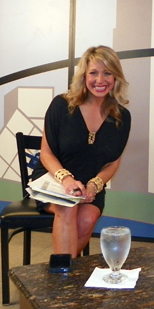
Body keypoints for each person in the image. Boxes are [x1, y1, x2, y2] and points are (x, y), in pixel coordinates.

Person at [31, 45, 131, 258]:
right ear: (84, 76)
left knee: (86, 219)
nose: (100, 80)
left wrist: (94, 185)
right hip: (53, 180)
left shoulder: (122, 117)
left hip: (90, 187)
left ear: (116, 78)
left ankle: (59, 271)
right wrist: (66, 181)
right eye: (93, 73)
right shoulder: (61, 105)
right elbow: (46, 154)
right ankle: (64, 281)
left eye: (107, 73)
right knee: (68, 207)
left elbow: (112, 163)